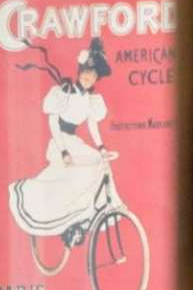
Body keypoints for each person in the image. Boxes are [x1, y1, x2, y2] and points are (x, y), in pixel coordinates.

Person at [8, 35, 120, 267]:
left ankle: (83, 220)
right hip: (62, 141)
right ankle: (61, 217)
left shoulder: (91, 99)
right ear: (79, 71)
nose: (88, 77)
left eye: (93, 75)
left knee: (99, 164)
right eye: (86, 72)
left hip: (76, 142)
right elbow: (52, 123)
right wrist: (62, 151)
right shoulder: (65, 90)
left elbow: (92, 125)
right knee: (72, 175)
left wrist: (100, 147)